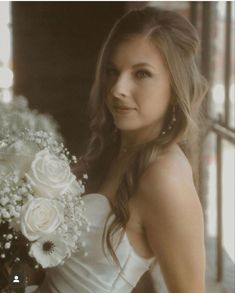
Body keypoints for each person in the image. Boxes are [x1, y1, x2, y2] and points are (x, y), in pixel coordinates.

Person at [38, 6, 208, 293]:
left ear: (175, 85)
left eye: (141, 74)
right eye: (112, 71)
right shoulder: (112, 149)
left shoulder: (165, 177)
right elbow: (41, 273)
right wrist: (14, 281)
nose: (118, 88)